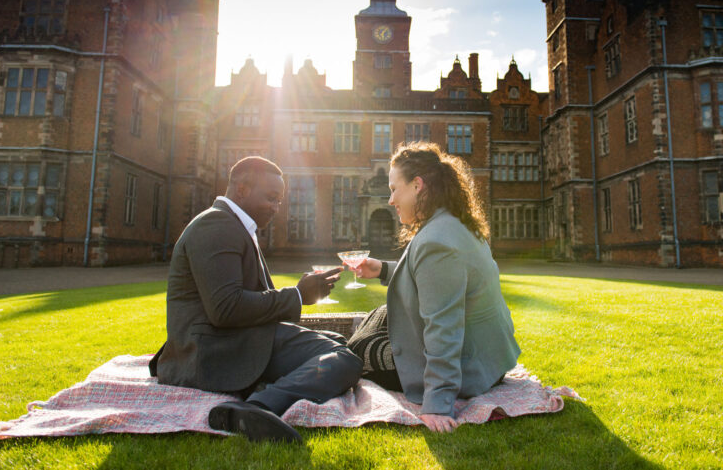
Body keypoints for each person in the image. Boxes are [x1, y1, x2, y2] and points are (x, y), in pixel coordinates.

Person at [149, 156, 362, 443]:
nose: (276, 208)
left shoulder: (234, 225)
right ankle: (256, 407)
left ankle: (261, 394)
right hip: (215, 352)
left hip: (237, 340)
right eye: (271, 198)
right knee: (344, 359)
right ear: (242, 190)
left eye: (280, 200)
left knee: (337, 344)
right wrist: (299, 295)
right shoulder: (215, 225)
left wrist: (302, 293)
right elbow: (225, 309)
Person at [350, 142, 521, 433]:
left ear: (417, 185)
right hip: (490, 353)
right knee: (380, 315)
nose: (390, 200)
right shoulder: (453, 223)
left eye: (394, 189)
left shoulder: (436, 242)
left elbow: (445, 326)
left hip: (472, 366)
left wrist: (437, 404)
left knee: (357, 351)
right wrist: (383, 269)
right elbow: (431, 281)